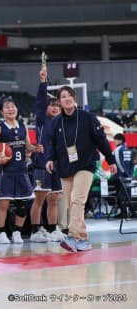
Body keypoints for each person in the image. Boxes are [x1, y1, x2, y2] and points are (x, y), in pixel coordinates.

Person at [46, 86, 117, 252]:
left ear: (74, 98)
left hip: (86, 164)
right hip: (65, 166)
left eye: (69, 95)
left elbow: (101, 140)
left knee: (78, 200)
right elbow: (52, 144)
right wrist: (49, 159)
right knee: (73, 204)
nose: (67, 98)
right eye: (63, 96)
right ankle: (83, 238)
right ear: (60, 101)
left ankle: (71, 236)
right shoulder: (56, 122)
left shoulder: (88, 117)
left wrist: (111, 159)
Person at [0, 97, 41, 244]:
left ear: (17, 109)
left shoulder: (23, 125)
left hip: (21, 171)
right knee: (4, 204)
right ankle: (1, 234)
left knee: (24, 204)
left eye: (13, 106)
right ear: (2, 111)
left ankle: (17, 232)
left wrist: (36, 148)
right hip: (5, 171)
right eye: (7, 107)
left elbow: (28, 146)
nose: (11, 109)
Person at [29, 68, 66, 243]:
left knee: (53, 199)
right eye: (53, 105)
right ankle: (35, 231)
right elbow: (40, 100)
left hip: (57, 166)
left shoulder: (62, 124)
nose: (55, 108)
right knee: (40, 199)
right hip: (41, 164)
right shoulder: (42, 120)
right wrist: (43, 81)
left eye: (58, 106)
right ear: (46, 108)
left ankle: (52, 230)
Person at [112, 133, 134, 217]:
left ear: (120, 140)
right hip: (128, 176)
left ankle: (124, 213)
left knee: (121, 195)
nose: (114, 141)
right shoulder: (128, 149)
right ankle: (133, 212)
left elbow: (118, 162)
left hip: (119, 176)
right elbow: (132, 163)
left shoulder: (118, 149)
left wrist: (123, 173)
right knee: (128, 195)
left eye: (115, 140)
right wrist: (130, 175)